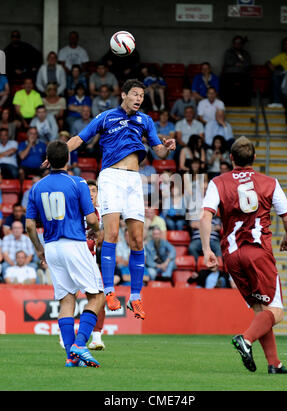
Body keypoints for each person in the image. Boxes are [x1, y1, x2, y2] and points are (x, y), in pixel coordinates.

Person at [44, 79, 176, 320]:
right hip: (111, 177)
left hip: (134, 181)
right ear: (124, 95)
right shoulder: (106, 117)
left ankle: (136, 298)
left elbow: (158, 150)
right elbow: (80, 138)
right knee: (112, 234)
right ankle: (109, 291)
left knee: (137, 239)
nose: (139, 99)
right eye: (135, 94)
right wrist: (58, 154)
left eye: (142, 96)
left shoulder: (146, 121)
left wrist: (167, 147)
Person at [199, 135, 287, 374]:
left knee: (260, 310)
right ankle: (246, 339)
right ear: (254, 157)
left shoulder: (218, 182)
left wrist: (206, 250)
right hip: (258, 252)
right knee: (277, 312)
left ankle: (274, 363)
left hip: (231, 255)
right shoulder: (269, 182)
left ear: (231, 158)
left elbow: (205, 216)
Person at [26, 140, 105, 368]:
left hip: (51, 247)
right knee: (97, 295)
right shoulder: (77, 182)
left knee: (66, 299)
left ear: (48, 160)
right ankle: (80, 344)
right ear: (68, 159)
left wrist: (39, 250)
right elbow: (91, 220)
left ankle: (71, 357)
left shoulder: (36, 187)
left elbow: (31, 226)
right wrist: (97, 231)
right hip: (74, 244)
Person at [85, 179, 106, 351]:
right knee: (68, 297)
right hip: (74, 255)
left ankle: (96, 337)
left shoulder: (104, 212)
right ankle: (64, 337)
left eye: (94, 190)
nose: (91, 193)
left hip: (91, 259)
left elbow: (107, 238)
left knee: (100, 296)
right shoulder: (75, 207)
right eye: (88, 190)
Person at [221, 36, 252, 106]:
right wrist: (236, 63)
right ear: (233, 44)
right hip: (230, 75)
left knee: (248, 81)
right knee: (224, 79)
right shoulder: (228, 52)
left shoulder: (245, 53)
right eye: (236, 43)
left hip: (242, 75)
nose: (238, 45)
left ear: (242, 44)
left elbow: (247, 64)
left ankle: (244, 104)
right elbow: (227, 62)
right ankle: (227, 103)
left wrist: (239, 57)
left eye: (240, 43)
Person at [267, 37, 287, 108]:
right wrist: (274, 70)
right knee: (276, 77)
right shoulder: (282, 56)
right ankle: (277, 102)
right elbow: (269, 62)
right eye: (285, 44)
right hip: (286, 76)